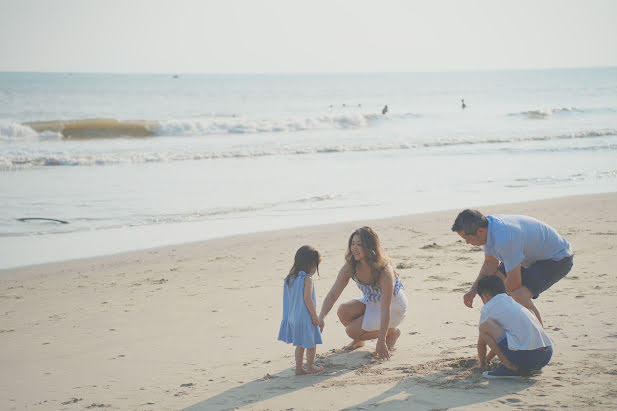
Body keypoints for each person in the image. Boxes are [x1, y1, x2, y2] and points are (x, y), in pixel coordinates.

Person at [452, 210, 573, 325]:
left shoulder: (505, 239)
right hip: (527, 256)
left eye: (467, 238)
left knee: (518, 295)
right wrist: (473, 291)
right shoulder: (489, 228)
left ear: (480, 231)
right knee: (489, 287)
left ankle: (541, 344)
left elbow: (515, 284)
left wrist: (496, 305)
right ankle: (506, 331)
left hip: (557, 258)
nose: (467, 242)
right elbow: (490, 263)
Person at [318, 227, 407, 360]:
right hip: (372, 301)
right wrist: (321, 318)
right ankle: (359, 340)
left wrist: (381, 340)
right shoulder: (351, 266)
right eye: (352, 244)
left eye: (359, 244)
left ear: (370, 246)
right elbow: (333, 294)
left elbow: (386, 308)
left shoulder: (384, 270)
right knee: (343, 310)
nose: (354, 248)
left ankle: (391, 333)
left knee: (351, 330)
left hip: (394, 307)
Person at [477, 275, 553, 379]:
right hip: (546, 355)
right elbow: (500, 340)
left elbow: (482, 343)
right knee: (522, 322)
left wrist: (483, 363)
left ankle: (509, 368)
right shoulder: (513, 302)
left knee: (484, 326)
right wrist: (488, 358)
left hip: (528, 358)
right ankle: (531, 367)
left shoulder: (488, 308)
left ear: (485, 296)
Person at [277, 245, 324, 375]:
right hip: (305, 317)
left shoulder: (290, 279)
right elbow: (307, 299)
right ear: (311, 264)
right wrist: (315, 316)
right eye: (316, 265)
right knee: (311, 343)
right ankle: (310, 366)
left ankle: (298, 368)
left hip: (293, 317)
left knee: (300, 344)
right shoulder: (307, 279)